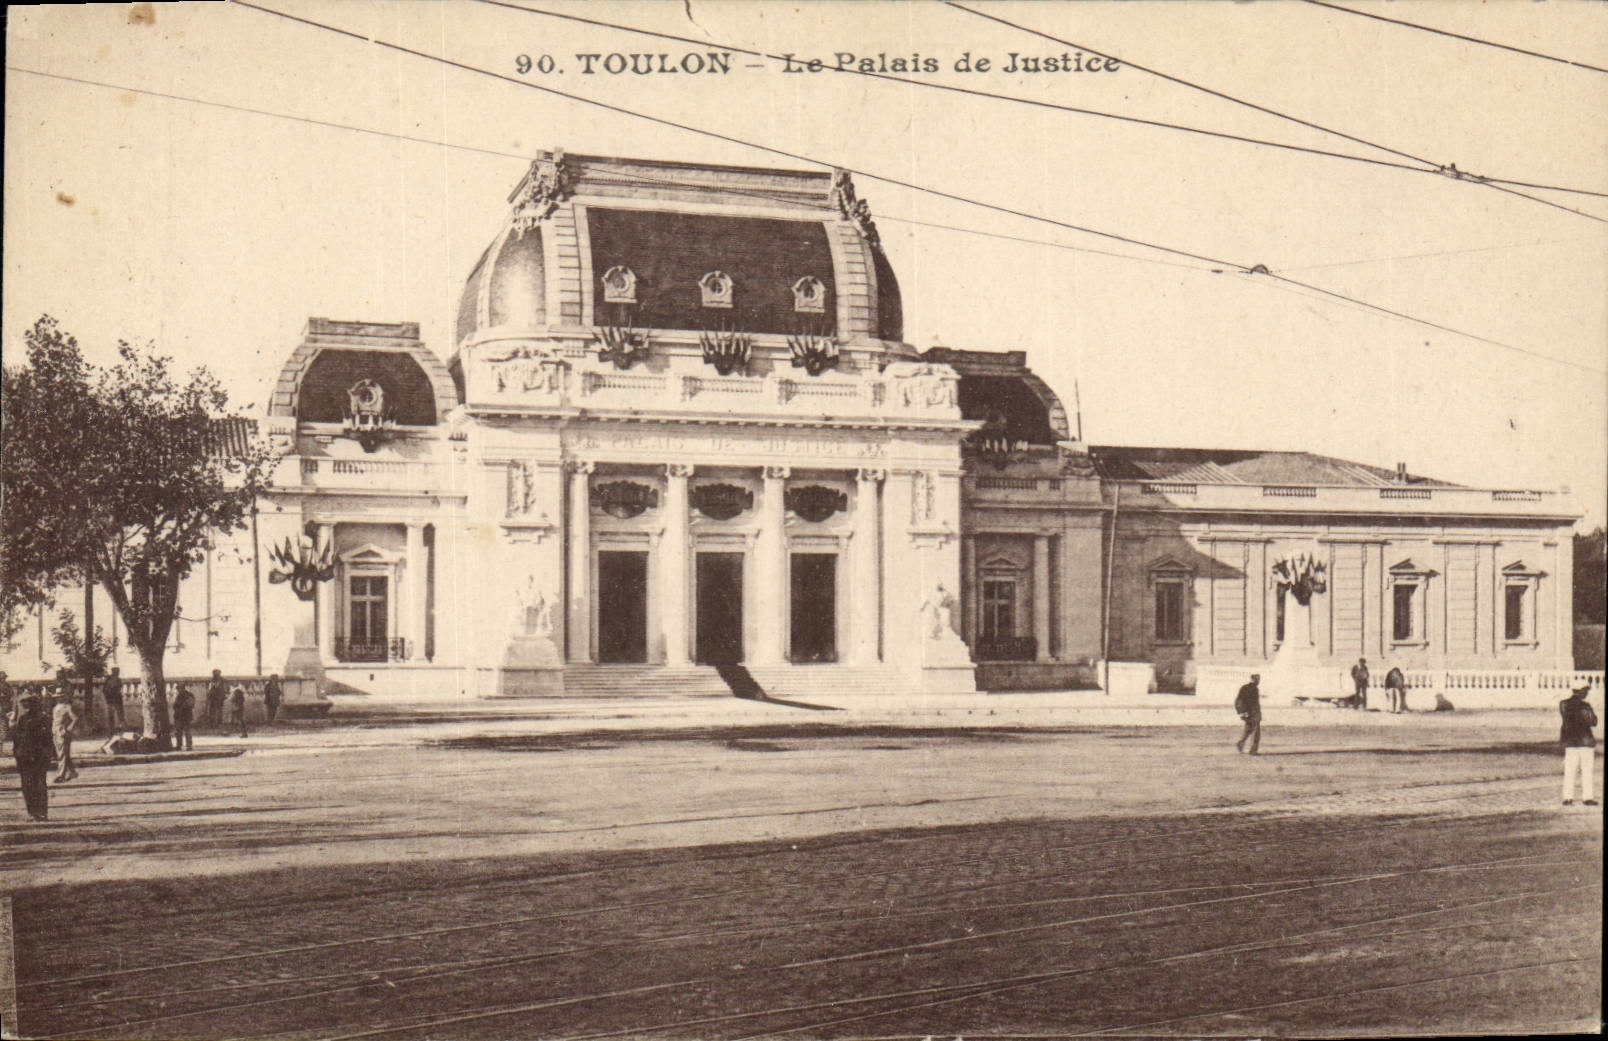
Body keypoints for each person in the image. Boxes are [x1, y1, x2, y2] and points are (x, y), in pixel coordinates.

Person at [13, 694, 54, 821]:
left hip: (38, 757)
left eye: (27, 703)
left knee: (39, 785)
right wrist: (17, 754)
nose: (25, 706)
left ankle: (41, 813)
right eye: (23, 704)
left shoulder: (44, 718)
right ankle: (32, 812)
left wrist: (48, 756)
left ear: (34, 703)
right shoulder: (23, 719)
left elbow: (48, 739)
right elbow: (17, 739)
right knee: (27, 786)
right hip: (24, 757)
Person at [1560, 683, 1598, 807]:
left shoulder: (1563, 704)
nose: (1587, 693)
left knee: (1570, 770)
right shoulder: (1585, 706)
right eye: (1586, 690)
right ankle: (1587, 797)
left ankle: (1567, 797)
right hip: (1585, 741)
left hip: (1570, 741)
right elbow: (1593, 721)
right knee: (1587, 770)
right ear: (1581, 691)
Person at [51, 686, 80, 783]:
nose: (59, 698)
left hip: (63, 732)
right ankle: (72, 772)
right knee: (64, 754)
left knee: (62, 754)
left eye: (61, 696)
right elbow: (54, 721)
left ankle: (61, 775)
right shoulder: (55, 708)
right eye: (57, 696)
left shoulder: (67, 707)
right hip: (56, 732)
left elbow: (75, 718)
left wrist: (69, 728)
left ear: (64, 697)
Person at [1234, 673, 1262, 755]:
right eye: (1258, 679)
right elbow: (1240, 701)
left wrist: (1241, 712)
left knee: (1248, 730)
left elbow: (1238, 701)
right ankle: (1253, 750)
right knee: (1256, 731)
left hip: (1248, 713)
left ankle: (1240, 743)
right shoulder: (1252, 688)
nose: (1259, 681)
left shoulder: (1245, 687)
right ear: (1253, 679)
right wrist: (1243, 712)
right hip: (1252, 713)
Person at [172, 684, 196, 751]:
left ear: (183, 688)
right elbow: (174, 705)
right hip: (178, 716)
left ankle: (189, 746)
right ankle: (179, 745)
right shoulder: (178, 696)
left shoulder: (189, 695)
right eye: (178, 689)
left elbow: (191, 704)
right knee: (178, 732)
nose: (178, 690)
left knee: (187, 731)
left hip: (186, 716)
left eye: (179, 688)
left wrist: (181, 707)